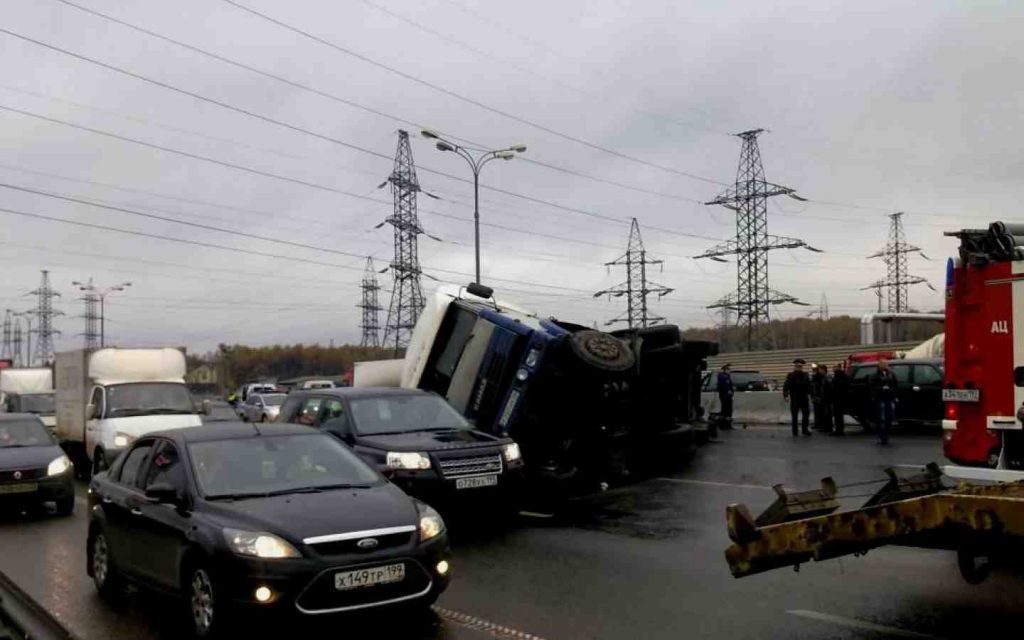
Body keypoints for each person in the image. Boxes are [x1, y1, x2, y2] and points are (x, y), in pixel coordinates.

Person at [870, 359, 899, 444]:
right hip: (880, 398)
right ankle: (882, 436)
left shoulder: (891, 374)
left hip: (889, 398)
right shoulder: (875, 375)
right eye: (885, 364)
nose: (887, 365)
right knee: (881, 418)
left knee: (889, 417)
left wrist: (895, 395)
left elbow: (895, 385)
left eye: (887, 364)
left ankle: (886, 434)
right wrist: (881, 388)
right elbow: (872, 387)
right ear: (880, 365)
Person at [783, 359, 812, 436]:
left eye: (800, 366)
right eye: (797, 366)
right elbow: (786, 386)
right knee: (794, 416)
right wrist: (786, 395)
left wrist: (810, 393)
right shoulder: (790, 375)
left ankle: (804, 430)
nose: (799, 368)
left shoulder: (805, 375)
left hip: (804, 398)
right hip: (795, 398)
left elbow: (809, 386)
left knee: (806, 415)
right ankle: (795, 431)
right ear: (795, 366)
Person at [811, 364, 833, 432]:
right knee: (822, 412)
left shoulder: (827, 377)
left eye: (820, 370)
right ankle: (823, 426)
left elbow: (828, 388)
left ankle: (827, 427)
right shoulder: (821, 377)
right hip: (822, 397)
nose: (819, 371)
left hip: (826, 398)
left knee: (827, 413)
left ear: (823, 370)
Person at [831, 361, 850, 436]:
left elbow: (841, 387)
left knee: (838, 415)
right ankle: (838, 429)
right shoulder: (838, 375)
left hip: (839, 398)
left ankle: (839, 430)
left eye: (835, 367)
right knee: (837, 415)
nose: (834, 368)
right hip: (837, 398)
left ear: (839, 367)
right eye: (833, 367)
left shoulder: (840, 375)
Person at [717, 364, 735, 431]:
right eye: (728, 369)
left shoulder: (727, 376)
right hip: (725, 396)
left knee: (728, 411)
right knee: (726, 410)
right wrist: (729, 391)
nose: (729, 370)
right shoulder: (723, 377)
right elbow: (725, 386)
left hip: (727, 396)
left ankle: (727, 425)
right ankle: (724, 425)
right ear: (725, 370)